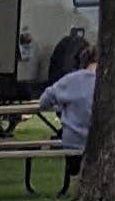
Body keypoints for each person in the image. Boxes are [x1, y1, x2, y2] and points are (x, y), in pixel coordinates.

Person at [41, 28, 96, 182]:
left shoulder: (70, 80)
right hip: (101, 142)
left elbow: (44, 101)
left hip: (74, 142)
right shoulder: (111, 82)